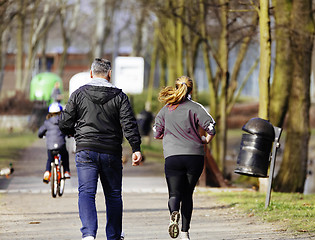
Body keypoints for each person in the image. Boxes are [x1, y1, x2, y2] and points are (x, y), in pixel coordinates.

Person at [59, 58, 142, 240]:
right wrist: (136, 148)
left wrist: (76, 133)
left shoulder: (78, 94)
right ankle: (113, 235)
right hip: (111, 151)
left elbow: (64, 122)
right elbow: (129, 124)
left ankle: (88, 234)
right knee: (113, 195)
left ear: (91, 74)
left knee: (86, 193)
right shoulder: (120, 96)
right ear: (109, 74)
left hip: (86, 150)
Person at [153, 76, 216, 240]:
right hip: (194, 156)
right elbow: (211, 127)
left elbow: (156, 132)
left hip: (173, 156)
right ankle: (185, 233)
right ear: (192, 90)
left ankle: (174, 212)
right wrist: (205, 140)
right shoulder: (196, 107)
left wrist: (165, 136)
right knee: (188, 194)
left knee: (174, 194)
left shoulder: (166, 109)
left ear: (175, 88)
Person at [38, 102, 70, 183]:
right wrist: (69, 134)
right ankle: (66, 171)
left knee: (49, 159)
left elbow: (40, 133)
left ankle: (47, 173)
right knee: (65, 156)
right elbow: (67, 130)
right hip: (61, 145)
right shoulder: (63, 121)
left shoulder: (47, 122)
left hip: (51, 146)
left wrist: (41, 135)